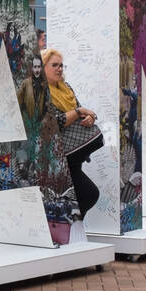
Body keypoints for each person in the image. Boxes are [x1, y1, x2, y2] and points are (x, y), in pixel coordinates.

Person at [43, 48, 100, 220]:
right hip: (57, 157)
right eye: (54, 65)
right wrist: (79, 111)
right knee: (90, 194)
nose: (59, 69)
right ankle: (66, 223)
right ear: (43, 67)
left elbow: (80, 110)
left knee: (75, 197)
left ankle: (71, 230)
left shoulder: (66, 88)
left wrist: (89, 117)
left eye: (61, 65)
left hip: (75, 153)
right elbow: (54, 122)